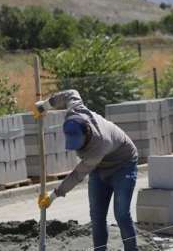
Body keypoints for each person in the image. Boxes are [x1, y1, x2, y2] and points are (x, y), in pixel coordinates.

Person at [36, 90, 139, 251]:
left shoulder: (99, 144)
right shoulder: (74, 111)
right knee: (97, 217)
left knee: (121, 214)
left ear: (87, 133)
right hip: (99, 167)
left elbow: (78, 174)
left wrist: (54, 195)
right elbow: (71, 93)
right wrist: (46, 105)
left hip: (123, 164)